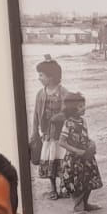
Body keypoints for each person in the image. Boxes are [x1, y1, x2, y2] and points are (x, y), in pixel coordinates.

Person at [57, 92, 102, 214]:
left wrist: (91, 143)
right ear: (73, 109)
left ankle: (85, 204)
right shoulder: (68, 123)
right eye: (80, 106)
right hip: (74, 159)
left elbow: (84, 137)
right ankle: (78, 208)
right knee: (77, 183)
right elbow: (61, 142)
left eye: (83, 105)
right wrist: (77, 151)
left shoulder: (83, 121)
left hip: (86, 156)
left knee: (88, 180)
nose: (84, 108)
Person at [30, 58, 69, 200]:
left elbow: (69, 112)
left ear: (51, 77)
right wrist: (35, 132)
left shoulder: (63, 92)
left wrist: (58, 117)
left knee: (63, 160)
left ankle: (64, 187)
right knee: (49, 160)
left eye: (41, 75)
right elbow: (36, 114)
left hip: (61, 134)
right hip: (47, 135)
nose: (39, 78)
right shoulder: (40, 94)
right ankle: (53, 188)